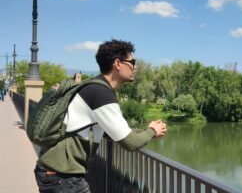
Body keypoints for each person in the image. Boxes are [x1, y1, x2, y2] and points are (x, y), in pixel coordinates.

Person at [34, 39, 167, 193]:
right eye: (133, 62)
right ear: (118, 63)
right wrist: (152, 131)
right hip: (63, 177)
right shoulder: (101, 93)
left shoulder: (93, 86)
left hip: (53, 172)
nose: (135, 67)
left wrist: (145, 131)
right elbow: (130, 143)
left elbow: (113, 133)